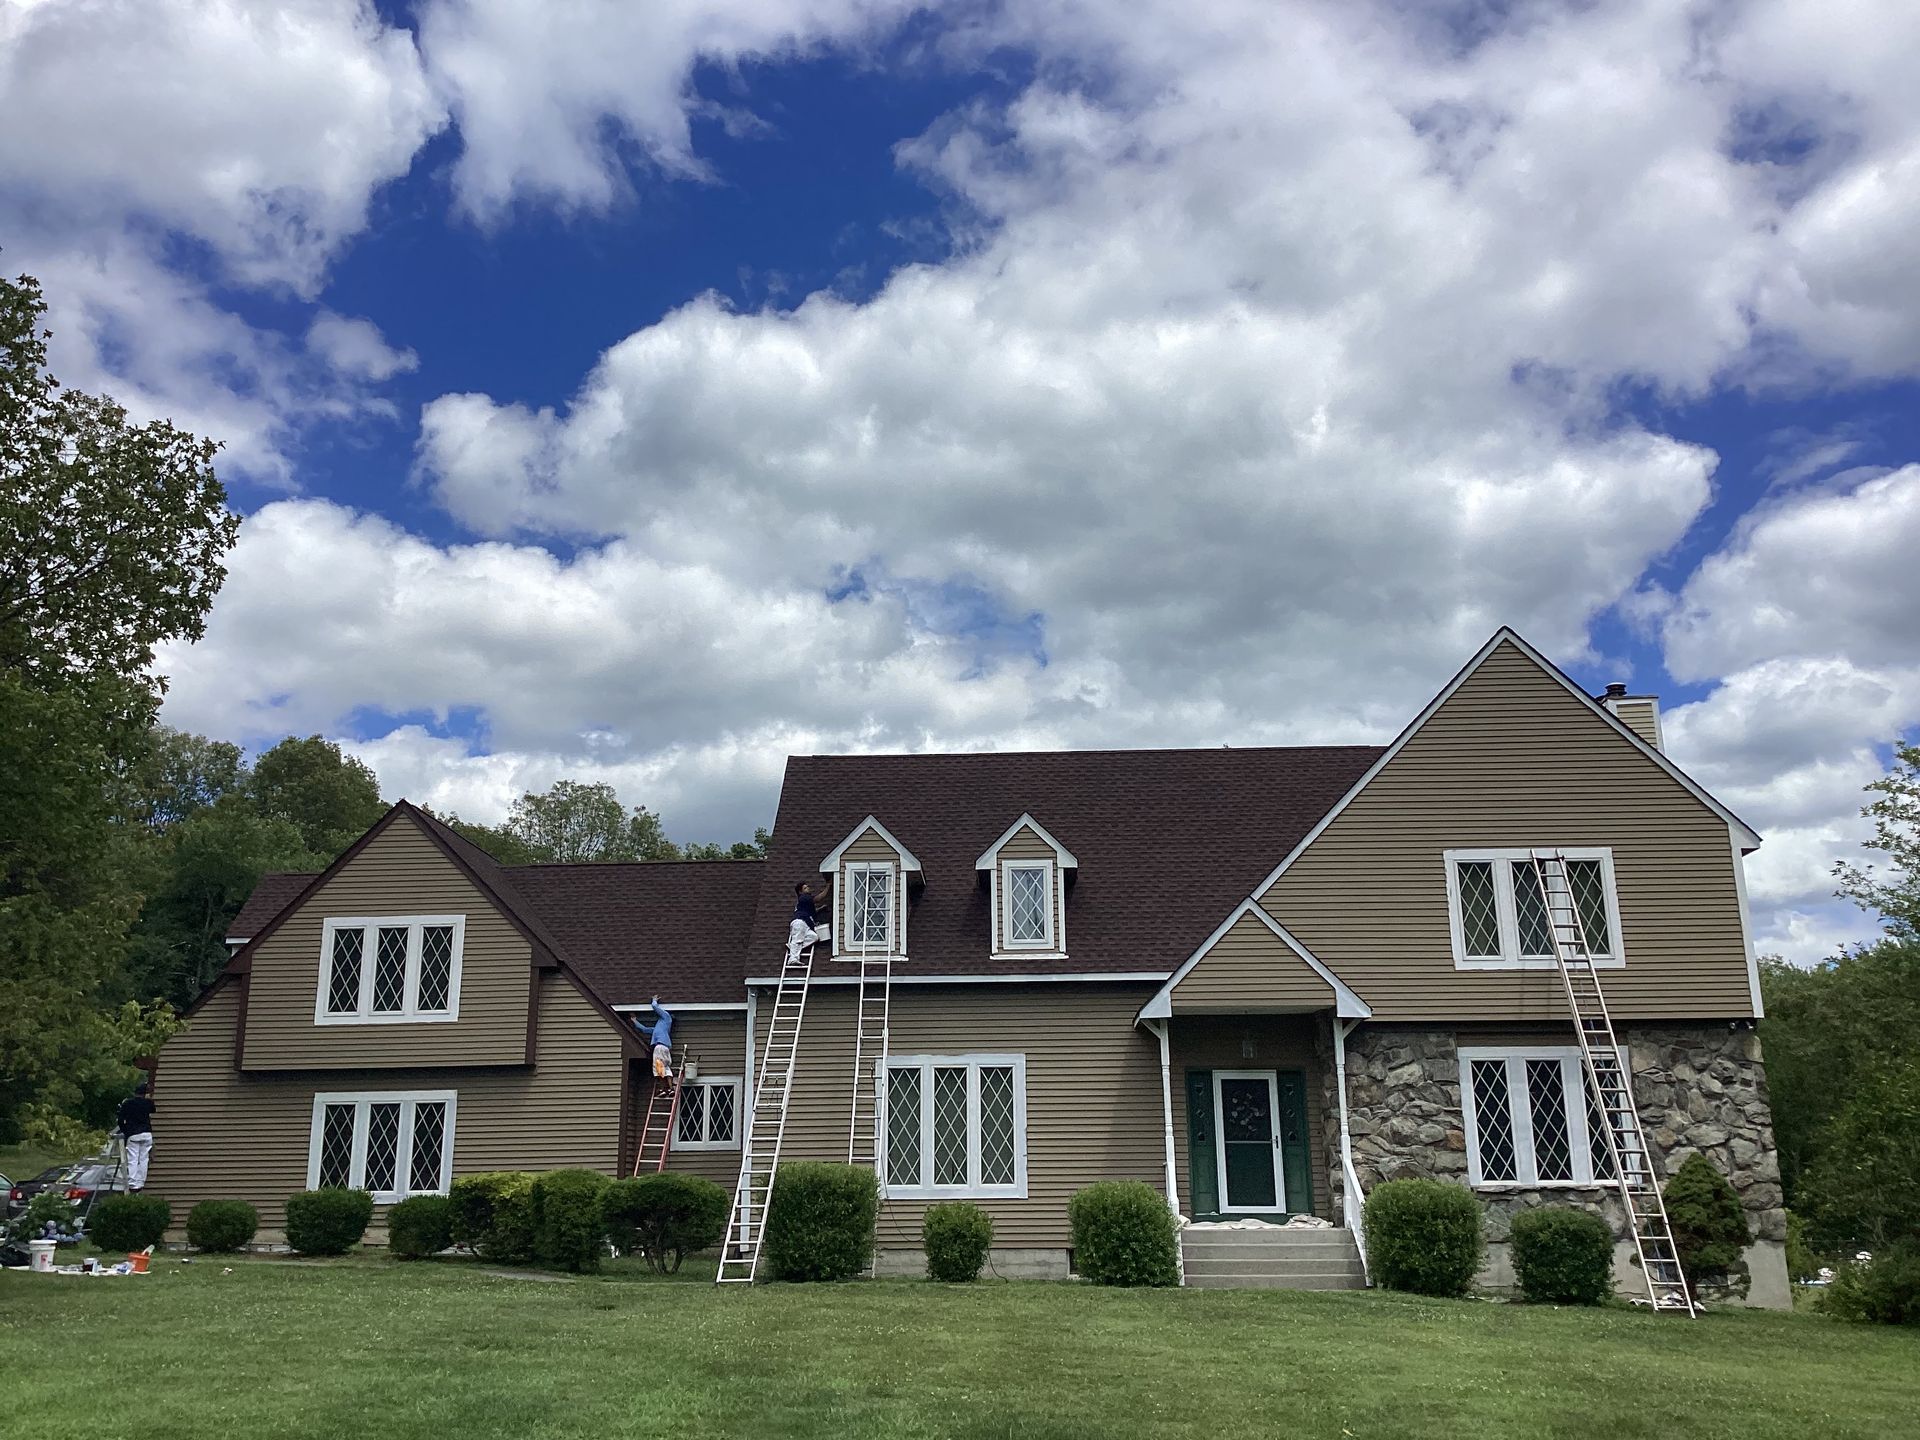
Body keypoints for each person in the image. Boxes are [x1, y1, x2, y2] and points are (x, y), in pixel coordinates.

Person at [116, 1081, 156, 1192]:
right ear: (144, 1093)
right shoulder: (147, 1103)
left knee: (133, 1158)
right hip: (147, 1133)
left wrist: (125, 1131)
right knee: (144, 1158)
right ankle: (141, 1181)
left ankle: (133, 1183)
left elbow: (120, 1119)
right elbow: (153, 1109)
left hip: (133, 1134)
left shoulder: (128, 1103)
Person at [788, 880, 823, 962]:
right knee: (798, 940)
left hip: (806, 924)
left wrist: (821, 909)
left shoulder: (804, 903)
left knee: (814, 937)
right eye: (805, 888)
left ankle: (793, 947)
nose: (808, 888)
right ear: (800, 892)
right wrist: (828, 888)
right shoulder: (804, 898)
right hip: (799, 922)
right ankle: (792, 960)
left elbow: (809, 912)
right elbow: (817, 899)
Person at [641, 997, 674, 1080]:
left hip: (660, 1046)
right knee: (665, 1068)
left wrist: (654, 1000)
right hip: (665, 1047)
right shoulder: (659, 1028)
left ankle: (663, 1088)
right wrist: (634, 1021)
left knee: (657, 1067)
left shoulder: (666, 1017)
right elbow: (645, 1029)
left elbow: (655, 1007)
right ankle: (669, 1089)